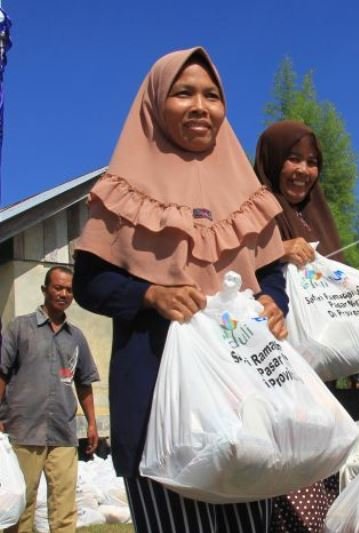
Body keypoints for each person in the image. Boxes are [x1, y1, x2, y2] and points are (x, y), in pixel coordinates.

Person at [72, 47, 288, 531]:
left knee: (249, 519)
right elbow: (89, 281)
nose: (199, 106)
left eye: (211, 95)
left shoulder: (246, 191)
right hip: (158, 400)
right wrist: (150, 296)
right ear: (154, 102)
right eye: (183, 93)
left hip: (242, 395)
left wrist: (276, 302)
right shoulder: (123, 187)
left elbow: (271, 269)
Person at [254, 119, 359, 533]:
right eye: (293, 159)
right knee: (284, 491)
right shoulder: (253, 209)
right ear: (272, 160)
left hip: (320, 380)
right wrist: (277, 249)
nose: (303, 170)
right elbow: (226, 262)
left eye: (313, 162)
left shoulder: (318, 217)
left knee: (320, 484)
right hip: (274, 375)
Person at [0, 266, 99, 533]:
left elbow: (84, 381)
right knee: (22, 502)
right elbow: (2, 373)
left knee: (64, 506)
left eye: (69, 290)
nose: (63, 293)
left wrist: (91, 423)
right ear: (45, 290)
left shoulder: (76, 336)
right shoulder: (19, 328)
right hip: (23, 430)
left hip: (63, 432)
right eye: (58, 287)